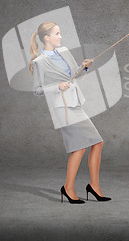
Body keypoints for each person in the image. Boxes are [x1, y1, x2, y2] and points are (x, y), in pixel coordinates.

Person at [29, 21, 111, 204]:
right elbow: (37, 90)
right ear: (46, 38)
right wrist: (57, 86)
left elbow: (76, 75)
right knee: (80, 147)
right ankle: (68, 188)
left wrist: (85, 67)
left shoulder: (64, 52)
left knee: (97, 143)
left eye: (60, 33)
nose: (60, 37)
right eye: (57, 34)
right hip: (62, 108)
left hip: (75, 103)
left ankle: (94, 186)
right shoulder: (39, 62)